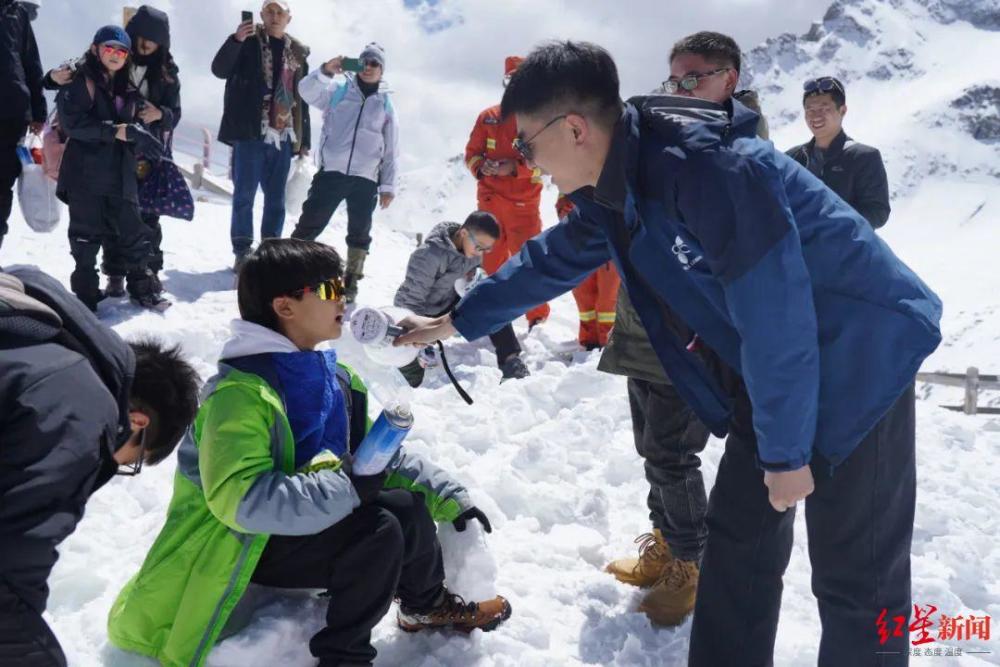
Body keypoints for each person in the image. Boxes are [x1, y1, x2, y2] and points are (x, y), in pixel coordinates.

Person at [396, 41, 942, 666]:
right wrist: (454, 319)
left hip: (862, 356)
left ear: (573, 128)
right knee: (738, 550)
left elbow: (777, 309)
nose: (528, 163)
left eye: (526, 144)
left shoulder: (711, 170)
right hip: (773, 367)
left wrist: (788, 453)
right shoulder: (618, 182)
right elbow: (551, 259)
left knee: (856, 573)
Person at [107, 238, 511, 667]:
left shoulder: (334, 377)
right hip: (242, 545)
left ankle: (424, 606)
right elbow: (242, 502)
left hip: (300, 527)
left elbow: (373, 457)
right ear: (285, 307)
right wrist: (350, 486)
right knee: (378, 530)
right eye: (331, 289)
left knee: (407, 508)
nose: (344, 298)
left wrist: (448, 496)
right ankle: (343, 656)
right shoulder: (239, 395)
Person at [600, 31, 771, 627]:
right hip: (639, 322)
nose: (681, 91)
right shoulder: (657, 137)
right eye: (675, 80)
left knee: (674, 454)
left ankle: (691, 565)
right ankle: (667, 544)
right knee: (652, 448)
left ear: (729, 78)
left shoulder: (741, 151)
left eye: (695, 78)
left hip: (688, 335)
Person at [0, 266, 200, 667]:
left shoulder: (27, 328)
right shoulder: (76, 407)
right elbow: (10, 574)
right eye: (130, 462)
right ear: (138, 425)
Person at [48, 6, 182, 302]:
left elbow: (175, 112)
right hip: (101, 159)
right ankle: (114, 276)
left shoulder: (167, 74)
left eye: (153, 39)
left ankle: (148, 276)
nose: (145, 44)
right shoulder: (98, 66)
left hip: (142, 154)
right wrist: (50, 78)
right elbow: (70, 90)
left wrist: (160, 114)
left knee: (142, 221)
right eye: (141, 37)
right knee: (102, 222)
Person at [290, 42, 398, 304]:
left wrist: (387, 186)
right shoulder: (337, 91)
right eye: (364, 62)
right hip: (332, 172)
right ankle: (290, 266)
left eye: (374, 63)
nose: (368, 68)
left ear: (382, 69)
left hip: (365, 179)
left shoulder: (385, 104)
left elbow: (391, 147)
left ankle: (350, 282)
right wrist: (326, 70)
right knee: (311, 221)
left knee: (360, 231)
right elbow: (304, 91)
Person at [211, 0, 311, 272]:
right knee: (244, 194)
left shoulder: (298, 53)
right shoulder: (247, 41)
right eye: (270, 11)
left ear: (289, 17)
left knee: (276, 198)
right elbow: (219, 70)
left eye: (280, 12)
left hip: (283, 132)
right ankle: (242, 251)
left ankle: (270, 251)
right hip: (249, 130)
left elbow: (302, 99)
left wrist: (304, 141)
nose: (275, 16)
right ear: (262, 15)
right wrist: (235, 40)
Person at [394, 210, 529, 387]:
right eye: (480, 247)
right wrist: (421, 335)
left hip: (448, 303)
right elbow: (410, 301)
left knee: (491, 300)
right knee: (411, 372)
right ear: (463, 233)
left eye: (487, 249)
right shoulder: (428, 255)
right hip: (418, 311)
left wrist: (474, 279)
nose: (481, 252)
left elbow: (473, 283)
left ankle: (510, 360)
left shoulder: (472, 252)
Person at [464, 56, 549, 329]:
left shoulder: (541, 120)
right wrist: (482, 167)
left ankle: (537, 319)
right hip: (490, 202)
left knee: (530, 261)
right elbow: (471, 154)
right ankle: (496, 318)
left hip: (525, 204)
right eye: (510, 79)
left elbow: (546, 162)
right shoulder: (488, 116)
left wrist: (514, 168)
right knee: (491, 261)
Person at [786, 76, 891, 228]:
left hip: (845, 249)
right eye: (810, 109)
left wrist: (830, 221)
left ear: (842, 110)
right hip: (802, 249)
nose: (816, 115)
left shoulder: (864, 157)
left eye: (824, 109)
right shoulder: (793, 158)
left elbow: (877, 212)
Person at [0, 0, 45, 253]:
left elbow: (31, 62)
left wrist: (38, 111)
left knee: (1, 188)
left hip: (12, 115)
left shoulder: (17, 14)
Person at [557, 195, 619, 350]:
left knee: (608, 298)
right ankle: (589, 340)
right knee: (584, 298)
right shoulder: (572, 175)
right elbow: (563, 202)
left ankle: (608, 344)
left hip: (609, 242)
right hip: (578, 239)